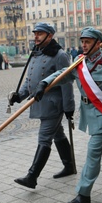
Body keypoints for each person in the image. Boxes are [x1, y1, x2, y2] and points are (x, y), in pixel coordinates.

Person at [41, 27, 102, 203]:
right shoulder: (79, 62)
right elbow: (63, 74)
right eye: (82, 42)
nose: (83, 45)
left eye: (88, 42)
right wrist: (45, 83)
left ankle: (83, 193)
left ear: (98, 43)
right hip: (88, 112)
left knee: (93, 152)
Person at [9, 22, 76, 189]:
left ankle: (32, 176)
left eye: (40, 33)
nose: (36, 36)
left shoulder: (59, 55)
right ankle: (69, 166)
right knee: (58, 134)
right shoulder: (36, 53)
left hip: (53, 105)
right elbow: (30, 79)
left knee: (44, 137)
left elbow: (66, 83)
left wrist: (68, 107)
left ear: (50, 35)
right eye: (35, 33)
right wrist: (19, 96)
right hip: (40, 103)